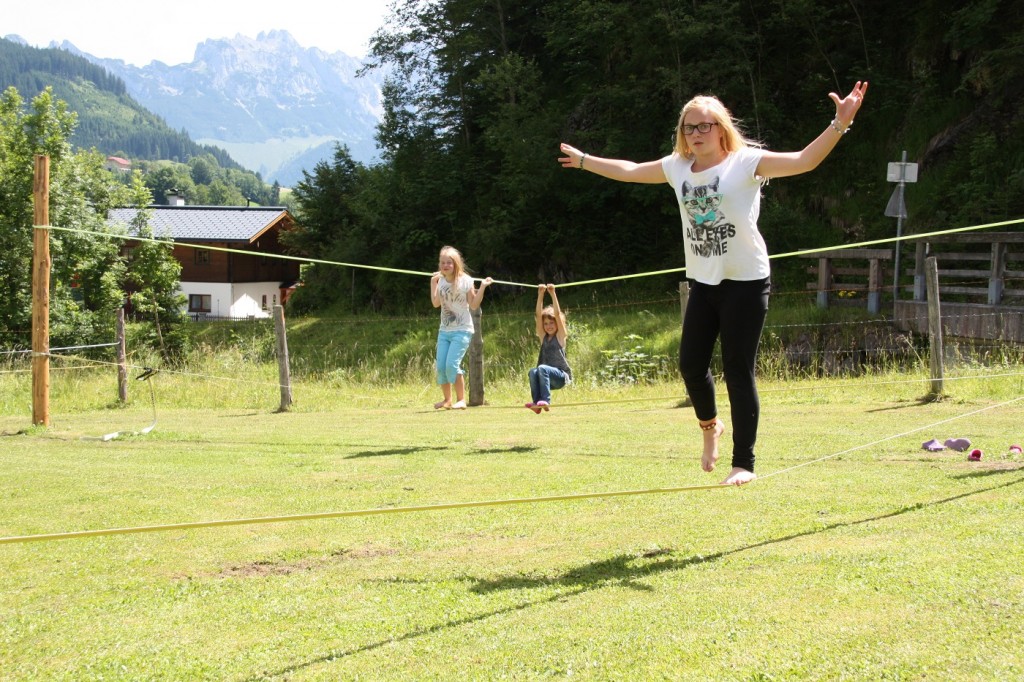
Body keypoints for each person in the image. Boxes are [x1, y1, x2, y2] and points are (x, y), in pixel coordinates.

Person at [558, 82, 868, 485]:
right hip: (704, 282)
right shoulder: (678, 168)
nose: (696, 134)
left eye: (704, 126)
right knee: (690, 365)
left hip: (746, 281)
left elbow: (805, 161)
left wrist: (839, 123)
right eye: (689, 128)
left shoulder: (745, 163)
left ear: (721, 128)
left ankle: (744, 464)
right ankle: (710, 429)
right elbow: (631, 171)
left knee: (738, 371)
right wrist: (584, 161)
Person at [430, 245, 493, 410]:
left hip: (462, 330)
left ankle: (461, 400)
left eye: (449, 263)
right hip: (444, 331)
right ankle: (447, 400)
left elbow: (473, 304)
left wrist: (483, 286)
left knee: (452, 364)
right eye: (442, 262)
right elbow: (436, 303)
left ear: (455, 263)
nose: (445, 266)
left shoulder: (466, 281)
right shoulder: (441, 280)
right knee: (442, 366)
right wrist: (433, 282)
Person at [526, 284, 573, 413]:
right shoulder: (543, 337)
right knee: (532, 372)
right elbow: (538, 315)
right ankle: (537, 403)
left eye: (551, 323)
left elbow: (557, 314)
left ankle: (545, 400)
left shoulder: (560, 337)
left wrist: (552, 293)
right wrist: (540, 294)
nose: (548, 326)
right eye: (546, 324)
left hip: (560, 377)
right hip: (545, 378)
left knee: (541, 368)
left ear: (557, 324)